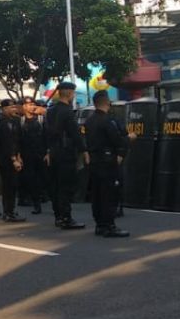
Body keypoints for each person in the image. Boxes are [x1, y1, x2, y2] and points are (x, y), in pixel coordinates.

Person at [85, 91, 130, 238]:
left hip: (94, 161)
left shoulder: (89, 121)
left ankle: (100, 225)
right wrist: (130, 138)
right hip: (108, 161)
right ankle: (109, 225)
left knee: (97, 194)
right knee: (110, 194)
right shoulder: (108, 121)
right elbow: (118, 140)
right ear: (107, 102)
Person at [45, 82, 86, 230]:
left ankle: (59, 216)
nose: (73, 95)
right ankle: (66, 218)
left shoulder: (50, 111)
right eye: (73, 93)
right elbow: (75, 134)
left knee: (56, 186)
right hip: (66, 153)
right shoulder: (67, 111)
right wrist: (84, 150)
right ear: (69, 93)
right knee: (66, 187)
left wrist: (49, 151)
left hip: (54, 152)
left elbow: (47, 133)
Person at [0, 99, 25, 222]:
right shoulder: (3, 123)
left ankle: (10, 210)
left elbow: (17, 141)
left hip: (14, 157)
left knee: (12, 186)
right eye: (11, 107)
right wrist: (14, 159)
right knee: (8, 186)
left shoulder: (14, 121)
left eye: (14, 107)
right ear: (4, 109)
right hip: (6, 160)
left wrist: (19, 156)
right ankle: (8, 212)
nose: (14, 109)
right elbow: (7, 144)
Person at [18, 100, 49, 214]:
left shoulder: (41, 119)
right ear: (23, 107)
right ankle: (35, 203)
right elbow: (17, 139)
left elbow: (47, 136)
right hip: (26, 155)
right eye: (29, 105)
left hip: (40, 154)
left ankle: (41, 197)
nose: (31, 107)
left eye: (33, 104)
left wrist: (48, 152)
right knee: (29, 178)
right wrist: (18, 155)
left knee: (42, 178)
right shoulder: (20, 121)